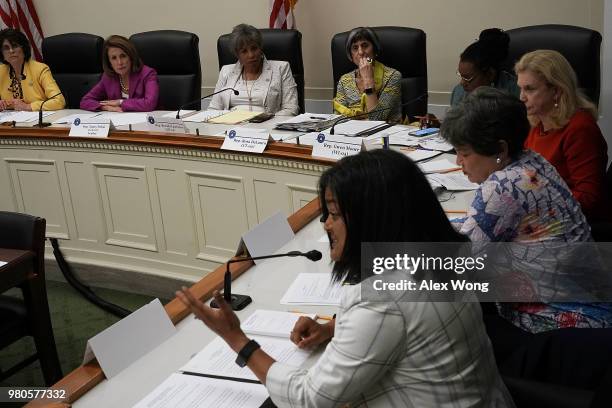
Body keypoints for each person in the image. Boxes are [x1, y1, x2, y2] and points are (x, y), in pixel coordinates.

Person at [177, 149, 514, 407]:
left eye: (335, 215)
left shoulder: (378, 300)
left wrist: (237, 338)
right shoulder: (443, 253)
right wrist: (332, 328)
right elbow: (414, 321)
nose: (325, 225)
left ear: (374, 220)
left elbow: (311, 398)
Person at [442, 86, 612, 392]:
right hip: (590, 309)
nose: (459, 162)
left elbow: (456, 265)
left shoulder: (503, 187)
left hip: (555, 326)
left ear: (500, 150)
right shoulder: (533, 162)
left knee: (445, 326)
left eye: (465, 153)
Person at [516, 49, 609, 223]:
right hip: (538, 214)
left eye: (529, 89)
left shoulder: (580, 128)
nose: (521, 97)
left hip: (570, 225)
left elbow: (588, 198)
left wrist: (534, 204)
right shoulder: (536, 122)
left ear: (557, 91)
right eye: (520, 89)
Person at [209, 24, 298, 116]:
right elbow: (214, 108)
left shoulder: (281, 68)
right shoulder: (226, 71)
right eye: (244, 51)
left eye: (254, 48)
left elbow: (291, 109)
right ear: (237, 54)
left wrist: (267, 121)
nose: (251, 55)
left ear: (260, 47)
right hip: (230, 126)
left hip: (266, 126)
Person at [333, 27, 402, 122]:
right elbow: (337, 120)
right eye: (355, 48)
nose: (360, 52)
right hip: (351, 133)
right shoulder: (344, 80)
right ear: (351, 56)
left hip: (385, 133)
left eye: (365, 46)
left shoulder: (393, 76)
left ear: (375, 50)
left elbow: (377, 119)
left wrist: (368, 80)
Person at [80, 35, 159, 112]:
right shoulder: (108, 78)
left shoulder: (148, 74)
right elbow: (85, 101)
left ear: (131, 56)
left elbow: (149, 103)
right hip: (119, 122)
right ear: (109, 62)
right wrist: (105, 107)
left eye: (123, 56)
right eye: (114, 58)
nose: (119, 62)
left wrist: (120, 102)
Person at [0, 28, 65, 111]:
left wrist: (28, 107)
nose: (11, 51)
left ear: (23, 48)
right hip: (10, 121)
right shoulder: (1, 72)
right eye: (6, 48)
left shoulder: (40, 69)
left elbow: (59, 101)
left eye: (15, 46)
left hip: (39, 120)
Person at [451, 28, 519, 107]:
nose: (462, 83)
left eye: (467, 78)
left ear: (490, 74)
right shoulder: (459, 92)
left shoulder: (516, 94)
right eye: (461, 75)